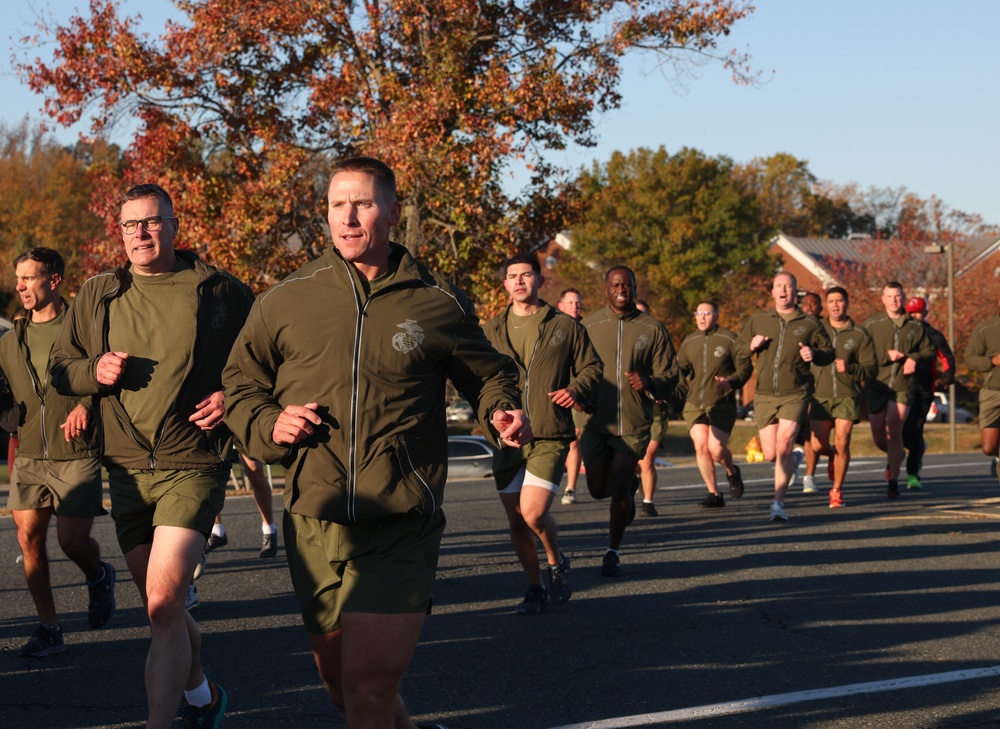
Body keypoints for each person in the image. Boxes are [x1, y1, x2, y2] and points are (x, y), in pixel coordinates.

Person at [222, 157, 529, 729]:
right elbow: (240, 385)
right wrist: (269, 425)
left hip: (401, 520)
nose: (348, 216)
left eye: (362, 203)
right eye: (338, 204)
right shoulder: (286, 299)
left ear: (391, 211)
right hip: (314, 517)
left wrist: (500, 410)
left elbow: (489, 375)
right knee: (345, 690)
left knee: (367, 693)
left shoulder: (437, 300)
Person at [50, 183, 254, 728]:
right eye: (130, 224)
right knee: (160, 610)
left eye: (151, 221)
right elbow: (62, 366)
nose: (140, 233)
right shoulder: (98, 294)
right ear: (120, 231)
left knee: (165, 605)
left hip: (195, 461)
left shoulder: (221, 291)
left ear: (173, 225)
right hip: (128, 469)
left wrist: (233, 397)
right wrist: (92, 372)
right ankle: (204, 698)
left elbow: (267, 363)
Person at [1, 248, 116, 657]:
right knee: (28, 538)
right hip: (30, 453)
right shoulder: (10, 339)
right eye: (19, 278)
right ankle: (49, 627)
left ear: (54, 281)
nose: (20, 286)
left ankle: (99, 574)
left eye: (29, 278)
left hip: (76, 452)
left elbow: (108, 379)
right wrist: (7, 417)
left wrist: (87, 406)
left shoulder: (82, 329)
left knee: (72, 541)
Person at [483, 255, 601, 614]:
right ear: (504, 284)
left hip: (548, 430)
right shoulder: (489, 331)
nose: (519, 281)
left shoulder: (565, 326)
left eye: (526, 275)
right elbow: (477, 377)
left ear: (540, 280)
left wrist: (577, 388)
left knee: (532, 513)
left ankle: (556, 562)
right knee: (515, 518)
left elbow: (592, 367)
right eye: (512, 276)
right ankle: (534, 586)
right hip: (505, 435)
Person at [580, 266, 677, 576]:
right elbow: (574, 370)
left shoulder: (653, 328)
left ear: (635, 288)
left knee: (620, 482)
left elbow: (671, 375)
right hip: (597, 422)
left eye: (627, 284)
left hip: (635, 423)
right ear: (606, 289)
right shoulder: (588, 326)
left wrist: (650, 382)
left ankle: (613, 551)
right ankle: (631, 485)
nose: (621, 288)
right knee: (597, 488)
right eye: (615, 284)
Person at [736, 272, 833, 521]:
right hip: (765, 394)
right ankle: (796, 457)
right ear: (772, 291)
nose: (783, 290)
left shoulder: (809, 323)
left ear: (794, 291)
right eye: (778, 286)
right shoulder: (759, 320)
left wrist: (814, 354)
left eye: (788, 286)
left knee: (784, 444)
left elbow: (828, 352)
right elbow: (738, 349)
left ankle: (777, 502)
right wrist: (750, 346)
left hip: (796, 393)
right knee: (770, 453)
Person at [800, 287, 877, 508]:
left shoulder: (859, 333)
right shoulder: (816, 329)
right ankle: (833, 455)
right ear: (827, 304)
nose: (835, 305)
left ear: (847, 303)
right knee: (816, 445)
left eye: (839, 301)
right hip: (819, 395)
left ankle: (836, 490)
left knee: (843, 441)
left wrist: (851, 367)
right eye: (831, 301)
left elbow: (871, 369)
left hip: (847, 395)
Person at [676, 300, 752, 508]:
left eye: (707, 313)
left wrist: (731, 382)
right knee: (701, 446)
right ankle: (714, 494)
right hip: (695, 403)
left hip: (720, 402)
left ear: (716, 316)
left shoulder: (729, 339)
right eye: (698, 313)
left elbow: (745, 368)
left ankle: (732, 471)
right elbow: (679, 370)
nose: (702, 317)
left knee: (716, 449)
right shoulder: (689, 341)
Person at [862, 282, 935, 498]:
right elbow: (862, 353)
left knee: (894, 427)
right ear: (883, 299)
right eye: (890, 296)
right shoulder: (872, 324)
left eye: (898, 296)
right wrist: (886, 356)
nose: (894, 300)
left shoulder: (915, 326)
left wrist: (913, 358)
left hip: (904, 385)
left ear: (903, 299)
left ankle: (893, 482)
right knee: (878, 432)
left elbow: (929, 352)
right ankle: (897, 456)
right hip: (877, 385)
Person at [901, 297, 955, 490]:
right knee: (897, 431)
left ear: (925, 313)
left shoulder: (933, 334)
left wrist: (948, 374)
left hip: (923, 390)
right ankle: (896, 464)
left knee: (915, 431)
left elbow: (946, 356)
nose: (916, 316)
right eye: (912, 313)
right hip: (899, 389)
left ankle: (913, 474)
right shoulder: (901, 333)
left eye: (919, 313)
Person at [632, 299, 669, 516]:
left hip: (655, 413)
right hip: (630, 412)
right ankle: (635, 479)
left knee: (647, 458)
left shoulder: (659, 343)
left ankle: (648, 502)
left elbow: (674, 379)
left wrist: (661, 390)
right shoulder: (622, 346)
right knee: (633, 462)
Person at [204, 452, 279, 558]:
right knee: (208, 475)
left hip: (241, 435)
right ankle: (217, 531)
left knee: (255, 472)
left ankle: (269, 530)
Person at [964, 300, 1000, 482]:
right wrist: (992, 361)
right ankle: (997, 456)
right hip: (993, 391)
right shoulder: (986, 328)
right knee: (988, 447)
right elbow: (969, 358)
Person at [556, 288, 586, 505]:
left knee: (574, 442)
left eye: (578, 302)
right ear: (561, 306)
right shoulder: (553, 328)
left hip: (580, 395)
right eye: (571, 302)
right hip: (555, 393)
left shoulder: (588, 328)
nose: (575, 306)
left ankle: (570, 488)